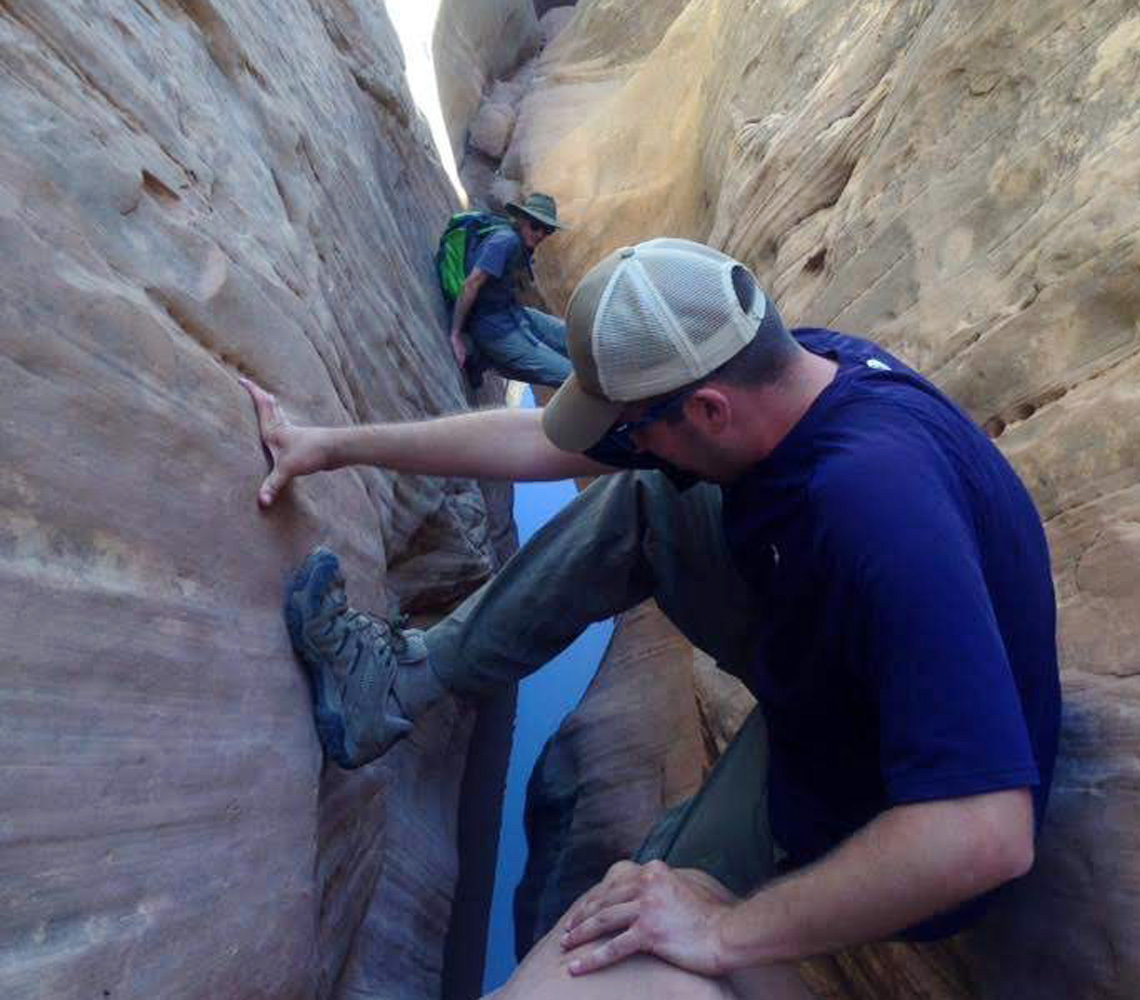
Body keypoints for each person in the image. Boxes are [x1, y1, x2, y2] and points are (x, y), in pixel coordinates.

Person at [242, 238, 1061, 997]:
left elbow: (987, 834)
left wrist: (726, 930)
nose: (623, 447)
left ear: (707, 411)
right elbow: (542, 444)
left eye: (634, 429)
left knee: (633, 919)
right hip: (839, 661)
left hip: (876, 788)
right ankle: (390, 687)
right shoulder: (792, 368)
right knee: (648, 497)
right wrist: (333, 445)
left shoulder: (874, 502)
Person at [449, 192, 572, 388]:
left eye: (547, 230)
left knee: (575, 337)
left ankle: (484, 359)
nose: (540, 234)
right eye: (535, 226)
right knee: (571, 377)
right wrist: (455, 334)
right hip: (493, 328)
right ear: (522, 220)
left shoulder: (519, 242)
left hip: (512, 314)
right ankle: (483, 355)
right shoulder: (506, 241)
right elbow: (472, 283)